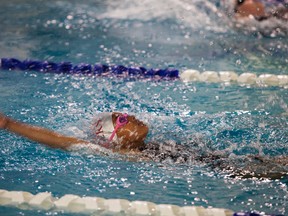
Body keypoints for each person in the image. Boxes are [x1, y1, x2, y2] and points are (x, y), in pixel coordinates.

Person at [0, 112, 287, 179]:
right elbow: (61, 141)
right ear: (117, 137)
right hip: (211, 168)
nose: (131, 117)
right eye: (122, 119)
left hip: (204, 159)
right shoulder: (113, 152)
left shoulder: (147, 143)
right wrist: (9, 125)